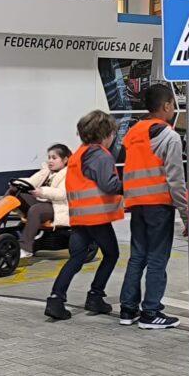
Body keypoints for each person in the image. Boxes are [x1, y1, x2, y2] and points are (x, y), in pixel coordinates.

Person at [118, 84, 187, 329]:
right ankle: (151, 312)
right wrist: (187, 216)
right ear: (166, 106)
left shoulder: (133, 132)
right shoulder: (170, 137)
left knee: (137, 256)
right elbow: (176, 180)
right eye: (173, 105)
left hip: (136, 204)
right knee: (158, 258)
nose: (174, 110)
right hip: (159, 205)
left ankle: (128, 309)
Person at [45, 111, 123, 321]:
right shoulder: (101, 156)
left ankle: (55, 299)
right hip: (96, 217)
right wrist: (128, 185)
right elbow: (109, 184)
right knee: (112, 254)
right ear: (105, 134)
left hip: (79, 215)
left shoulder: (79, 154)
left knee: (77, 258)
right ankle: (95, 295)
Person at [10, 144, 71, 258]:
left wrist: (42, 191)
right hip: (42, 201)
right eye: (49, 157)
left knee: (36, 210)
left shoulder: (69, 174)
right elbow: (31, 181)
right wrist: (17, 183)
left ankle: (26, 248)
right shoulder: (46, 171)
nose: (50, 161)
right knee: (13, 192)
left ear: (65, 160)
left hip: (57, 207)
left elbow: (62, 194)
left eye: (54, 158)